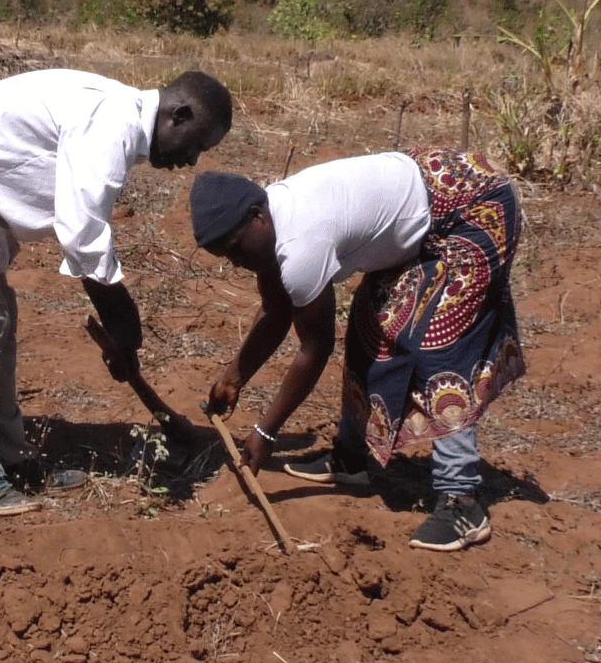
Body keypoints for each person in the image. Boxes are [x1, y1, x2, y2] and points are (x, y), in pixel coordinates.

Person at [0, 68, 234, 516]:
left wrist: (120, 322)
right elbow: (81, 233)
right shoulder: (112, 123)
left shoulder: (116, 116)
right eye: (198, 143)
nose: (193, 160)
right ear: (178, 115)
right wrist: (122, 319)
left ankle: (11, 459)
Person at [193, 150, 526, 551]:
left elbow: (315, 349)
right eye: (226, 258)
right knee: (369, 328)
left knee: (441, 346)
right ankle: (351, 460)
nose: (236, 263)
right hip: (428, 208)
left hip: (473, 205)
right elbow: (277, 313)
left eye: (236, 249)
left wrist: (265, 432)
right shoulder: (272, 226)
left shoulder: (300, 244)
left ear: (257, 218)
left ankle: (462, 501)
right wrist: (233, 376)